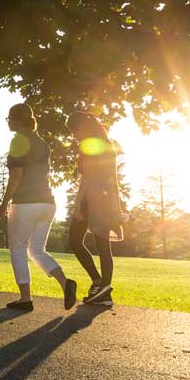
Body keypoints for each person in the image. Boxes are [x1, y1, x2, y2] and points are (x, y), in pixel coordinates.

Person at [0, 104, 78, 311]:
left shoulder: (18, 141)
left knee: (17, 249)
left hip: (25, 203)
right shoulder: (42, 143)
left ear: (16, 120)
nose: (8, 123)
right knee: (36, 250)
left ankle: (25, 299)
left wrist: (4, 202)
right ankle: (65, 283)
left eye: (9, 119)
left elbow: (16, 176)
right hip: (47, 203)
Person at [65, 111, 123, 307]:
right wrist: (117, 205)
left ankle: (100, 284)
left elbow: (87, 179)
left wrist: (77, 203)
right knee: (103, 245)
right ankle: (102, 287)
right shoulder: (108, 145)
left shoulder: (89, 145)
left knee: (75, 241)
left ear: (83, 126)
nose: (74, 135)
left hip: (92, 199)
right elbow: (113, 180)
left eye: (74, 130)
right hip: (107, 199)